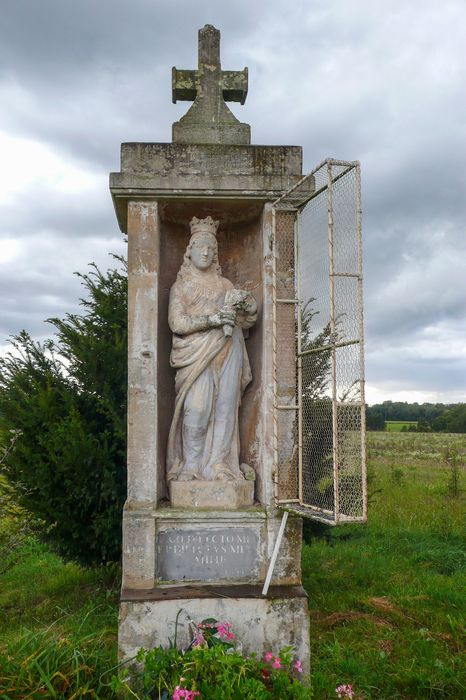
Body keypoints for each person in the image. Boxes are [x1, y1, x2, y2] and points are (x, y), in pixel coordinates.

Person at [166, 216, 257, 482]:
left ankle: (219, 465)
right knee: (197, 408)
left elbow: (246, 321)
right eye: (200, 247)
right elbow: (177, 322)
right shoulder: (181, 286)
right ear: (189, 252)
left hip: (229, 350)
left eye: (211, 248)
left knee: (225, 408)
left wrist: (249, 306)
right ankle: (191, 466)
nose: (206, 252)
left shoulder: (226, 286)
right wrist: (213, 320)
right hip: (194, 354)